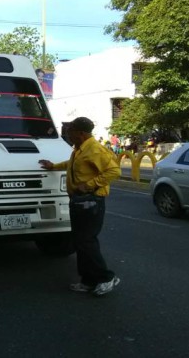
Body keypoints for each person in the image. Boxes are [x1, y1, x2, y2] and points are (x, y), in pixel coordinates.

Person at [38, 116, 121, 296]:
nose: (68, 134)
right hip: (79, 200)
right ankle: (88, 280)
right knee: (80, 241)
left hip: (91, 201)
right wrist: (54, 166)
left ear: (81, 133)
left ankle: (106, 277)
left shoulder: (95, 150)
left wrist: (89, 185)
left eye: (71, 131)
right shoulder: (80, 149)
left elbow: (114, 171)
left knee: (87, 241)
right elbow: (74, 165)